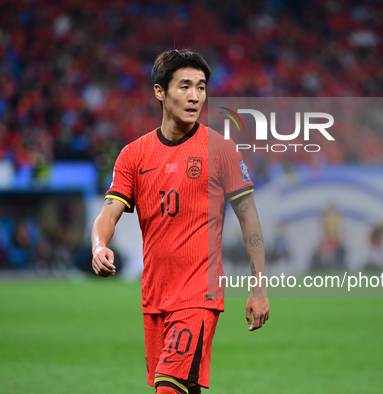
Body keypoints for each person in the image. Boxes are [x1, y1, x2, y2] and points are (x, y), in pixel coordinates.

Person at [91, 49, 269, 394]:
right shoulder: (133, 155)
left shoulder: (221, 151)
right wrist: (99, 245)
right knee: (183, 388)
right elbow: (108, 213)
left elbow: (251, 223)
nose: (195, 96)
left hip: (199, 294)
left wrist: (259, 287)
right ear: (160, 91)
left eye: (201, 87)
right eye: (185, 86)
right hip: (155, 296)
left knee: (168, 388)